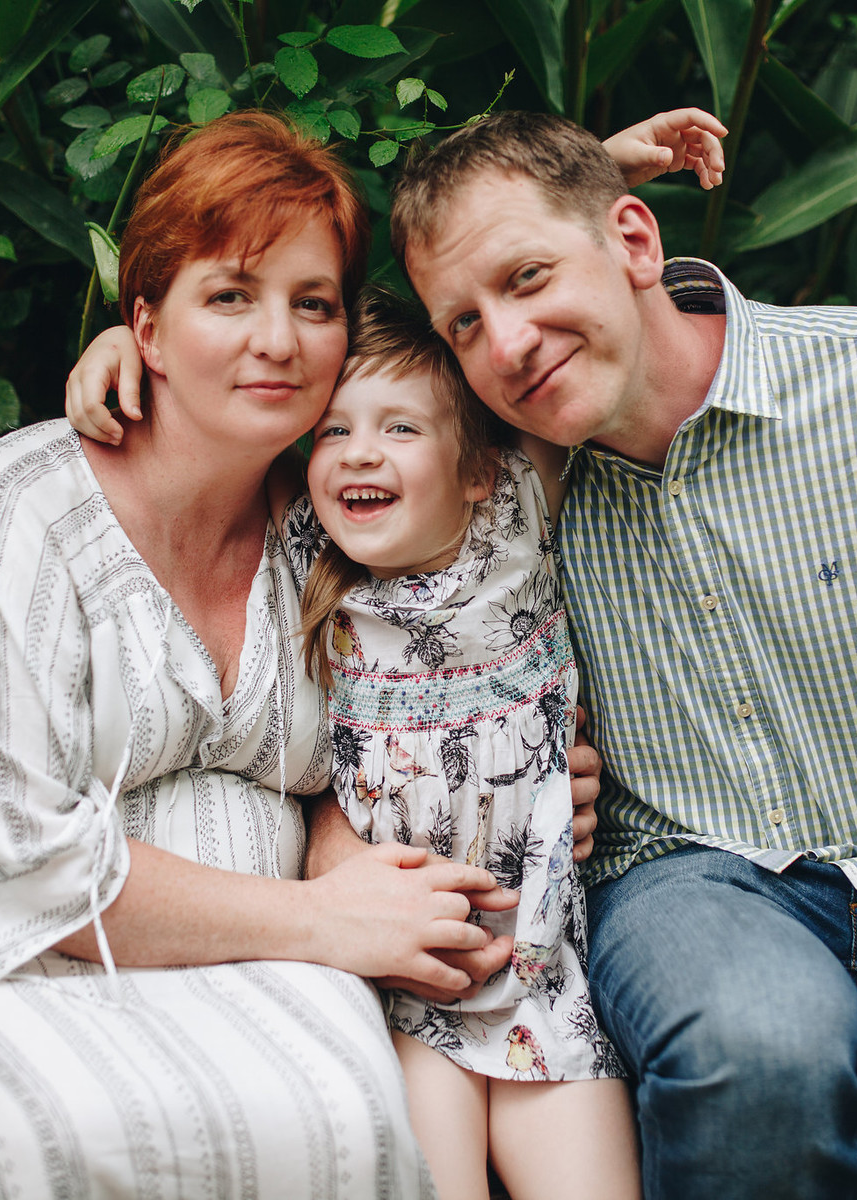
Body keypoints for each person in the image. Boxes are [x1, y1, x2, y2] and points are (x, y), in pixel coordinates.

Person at [66, 110, 857, 1199]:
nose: (504, 345)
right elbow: (315, 389)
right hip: (696, 893)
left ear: (633, 238)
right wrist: (148, 346)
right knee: (763, 1052)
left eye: (526, 283)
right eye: (466, 323)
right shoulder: (503, 474)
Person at [0, 107, 723, 1199]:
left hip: (274, 985)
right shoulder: (18, 511)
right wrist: (321, 917)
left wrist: (502, 787)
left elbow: (425, 656)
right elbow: (4, 868)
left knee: (345, 1126)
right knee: (58, 1148)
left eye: (314, 304)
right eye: (229, 297)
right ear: (144, 328)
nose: (279, 342)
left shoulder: (329, 541)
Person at [288, 292, 636, 1200]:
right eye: (331, 432)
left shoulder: (516, 509)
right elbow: (203, 418)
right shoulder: (305, 566)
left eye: (399, 426)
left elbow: (567, 332)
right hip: (402, 986)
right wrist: (124, 346)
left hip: (545, 973)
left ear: (476, 468)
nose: (359, 450)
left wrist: (608, 185)